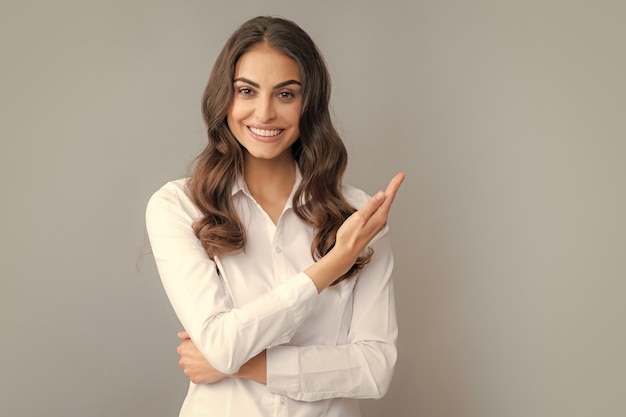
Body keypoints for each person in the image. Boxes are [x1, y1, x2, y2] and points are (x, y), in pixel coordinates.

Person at [145, 15, 405, 417]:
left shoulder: (358, 216)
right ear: (224, 98)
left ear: (309, 104)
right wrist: (331, 265)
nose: (264, 113)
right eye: (246, 91)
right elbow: (220, 343)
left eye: (286, 94)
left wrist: (246, 366)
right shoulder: (178, 206)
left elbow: (375, 369)